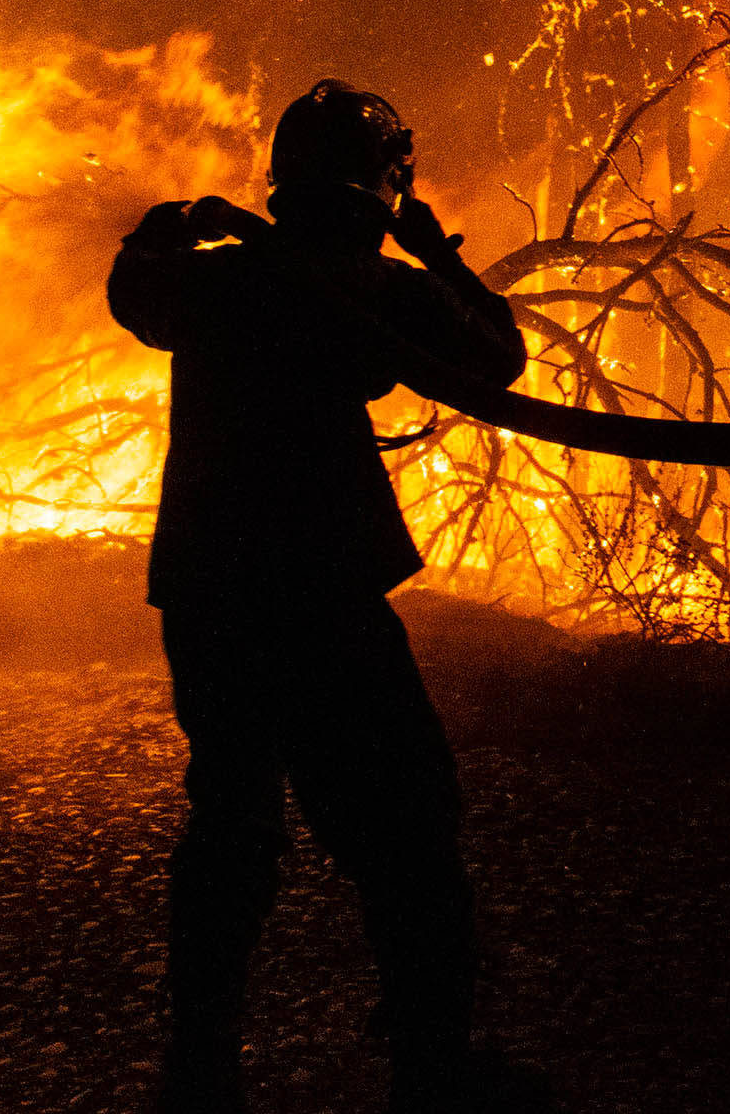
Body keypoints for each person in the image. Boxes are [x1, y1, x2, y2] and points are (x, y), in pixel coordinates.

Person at [108, 80, 551, 1114]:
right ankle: (432, 1066)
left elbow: (136, 293)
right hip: (317, 595)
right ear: (383, 185)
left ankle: (200, 1058)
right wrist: (435, 248)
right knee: (409, 816)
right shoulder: (374, 287)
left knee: (231, 818)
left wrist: (160, 226)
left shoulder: (220, 282)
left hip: (208, 591)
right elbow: (497, 356)